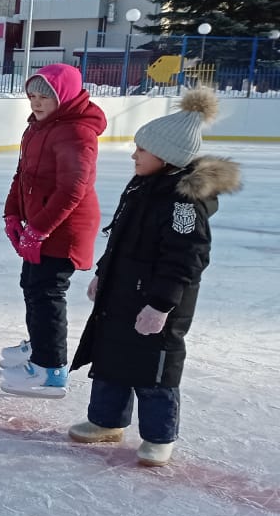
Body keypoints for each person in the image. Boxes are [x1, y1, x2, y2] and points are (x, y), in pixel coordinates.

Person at [67, 90, 239, 467]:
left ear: (166, 156)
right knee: (111, 354)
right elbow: (120, 236)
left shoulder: (183, 203)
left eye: (141, 150)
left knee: (154, 368)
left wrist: (161, 305)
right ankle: (107, 420)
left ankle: (159, 436)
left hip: (158, 301)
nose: (134, 155)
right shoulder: (142, 185)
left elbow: (187, 258)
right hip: (121, 291)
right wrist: (103, 273)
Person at [0, 63, 107, 398]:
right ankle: (39, 345)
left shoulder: (77, 132)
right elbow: (22, 176)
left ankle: (51, 369)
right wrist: (12, 214)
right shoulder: (37, 128)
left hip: (65, 228)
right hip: (43, 223)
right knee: (32, 285)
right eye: (32, 95)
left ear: (64, 96)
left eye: (45, 96)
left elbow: (72, 190)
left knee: (47, 292)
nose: (36, 102)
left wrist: (39, 230)